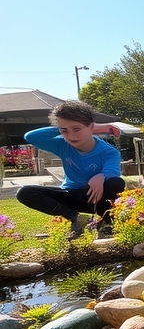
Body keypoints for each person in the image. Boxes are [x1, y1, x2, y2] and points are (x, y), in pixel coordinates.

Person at [17, 100, 124, 239]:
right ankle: (75, 218)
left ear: (91, 126)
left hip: (96, 198)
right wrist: (62, 127)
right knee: (25, 192)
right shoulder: (62, 144)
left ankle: (107, 222)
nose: (71, 136)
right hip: (70, 194)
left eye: (77, 129)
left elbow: (113, 172)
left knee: (116, 182)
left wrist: (101, 176)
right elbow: (30, 137)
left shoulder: (109, 152)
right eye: (64, 131)